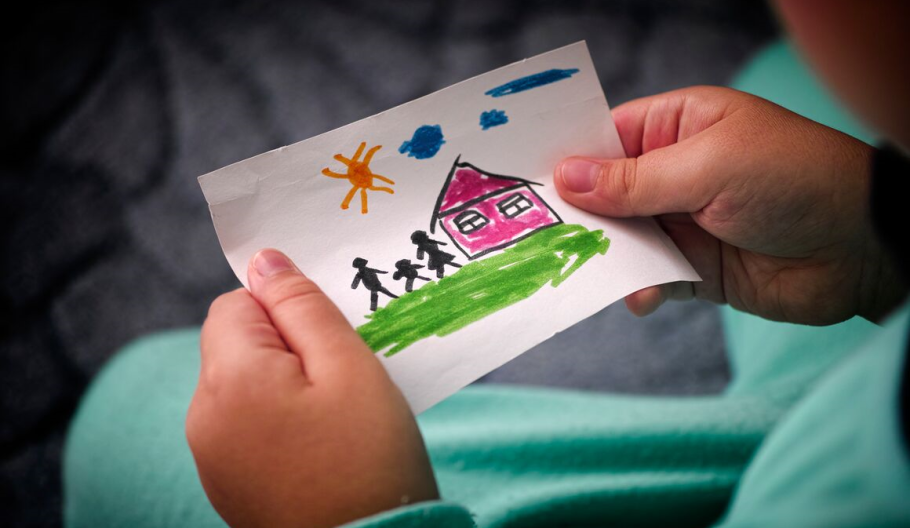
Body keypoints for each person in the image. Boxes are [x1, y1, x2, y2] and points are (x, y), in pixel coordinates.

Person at [65, 2, 909, 528]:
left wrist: (352, 517)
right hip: (872, 355)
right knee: (786, 75)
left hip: (824, 457)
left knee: (142, 404)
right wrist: (883, 238)